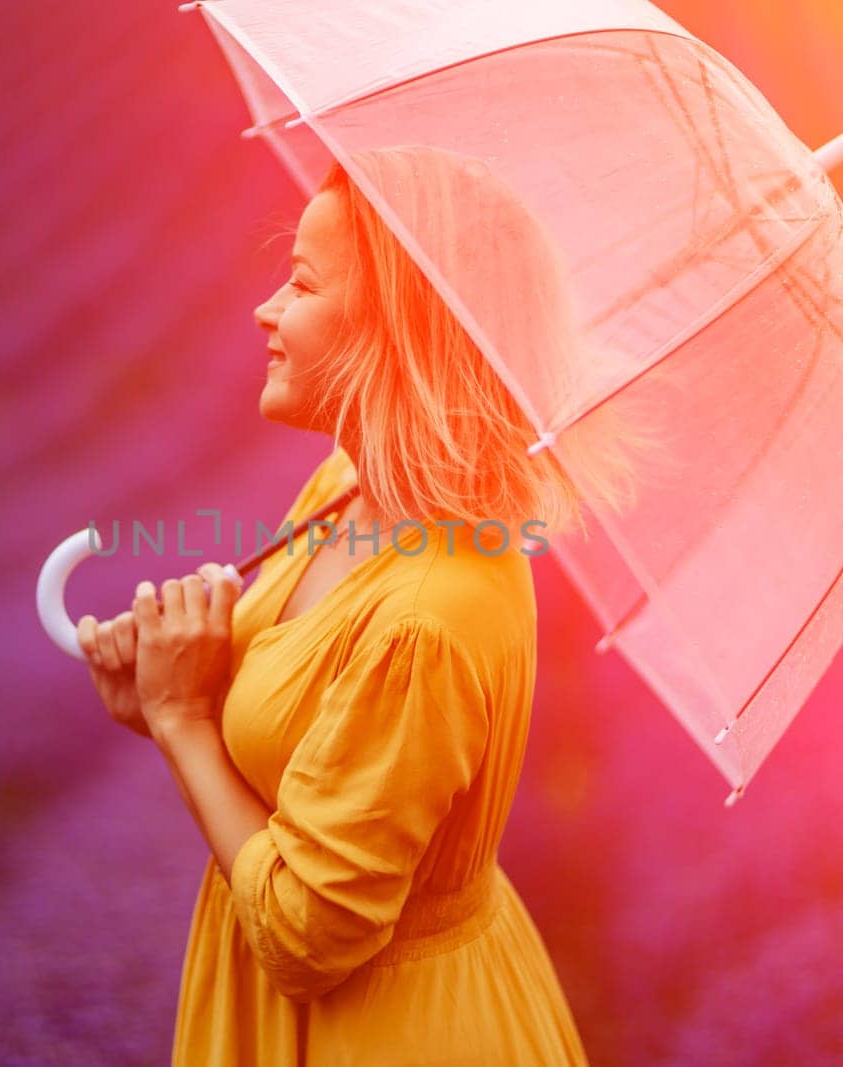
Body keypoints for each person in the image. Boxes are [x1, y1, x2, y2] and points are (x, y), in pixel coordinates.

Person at [76, 146, 649, 1065]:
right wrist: (168, 698)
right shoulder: (350, 487)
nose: (266, 310)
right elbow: (311, 760)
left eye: (301, 283)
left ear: (399, 328)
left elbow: (307, 935)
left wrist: (184, 717)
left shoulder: (431, 613)